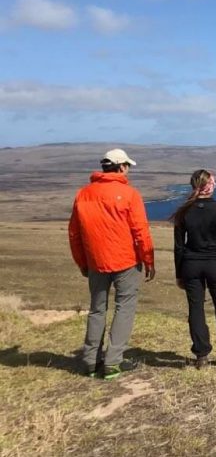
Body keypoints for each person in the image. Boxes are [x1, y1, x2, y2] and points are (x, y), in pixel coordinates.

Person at [68, 148, 156, 380]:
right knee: (124, 308)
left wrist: (82, 262)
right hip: (125, 261)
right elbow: (140, 231)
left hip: (95, 262)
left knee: (97, 309)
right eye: (127, 166)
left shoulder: (83, 194)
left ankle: (90, 361)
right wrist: (148, 259)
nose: (128, 170)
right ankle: (113, 362)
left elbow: (74, 234)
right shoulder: (129, 194)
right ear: (121, 167)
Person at [171, 169, 216, 369]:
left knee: (196, 308)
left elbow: (179, 246)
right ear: (208, 186)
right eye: (214, 181)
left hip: (190, 265)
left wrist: (179, 273)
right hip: (215, 264)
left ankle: (201, 356)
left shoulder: (183, 211)